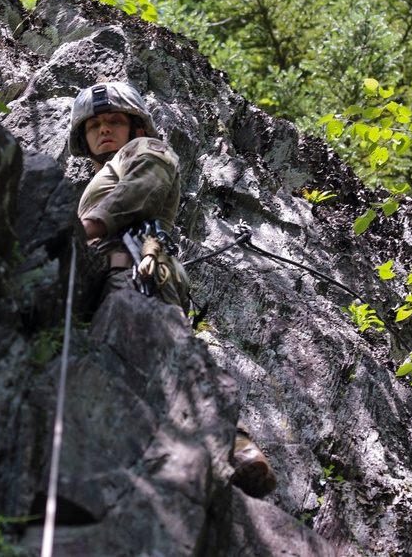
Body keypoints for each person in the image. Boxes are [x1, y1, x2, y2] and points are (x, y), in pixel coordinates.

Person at [70, 81, 277, 499]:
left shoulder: (148, 151)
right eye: (94, 125)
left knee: (167, 352)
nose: (104, 129)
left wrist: (87, 228)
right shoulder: (98, 178)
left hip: (137, 268)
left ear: (136, 127)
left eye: (114, 120)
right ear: (83, 138)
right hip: (98, 277)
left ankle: (236, 449)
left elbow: (141, 192)